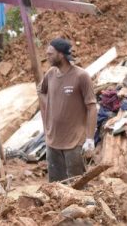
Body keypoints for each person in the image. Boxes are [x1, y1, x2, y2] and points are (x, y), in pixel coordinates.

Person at [39, 38, 98, 182]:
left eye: (50, 54)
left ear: (61, 55)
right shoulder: (50, 74)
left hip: (74, 142)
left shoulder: (81, 76)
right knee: (56, 187)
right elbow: (41, 92)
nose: (47, 56)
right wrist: (47, 118)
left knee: (77, 184)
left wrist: (89, 139)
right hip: (53, 141)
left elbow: (92, 107)